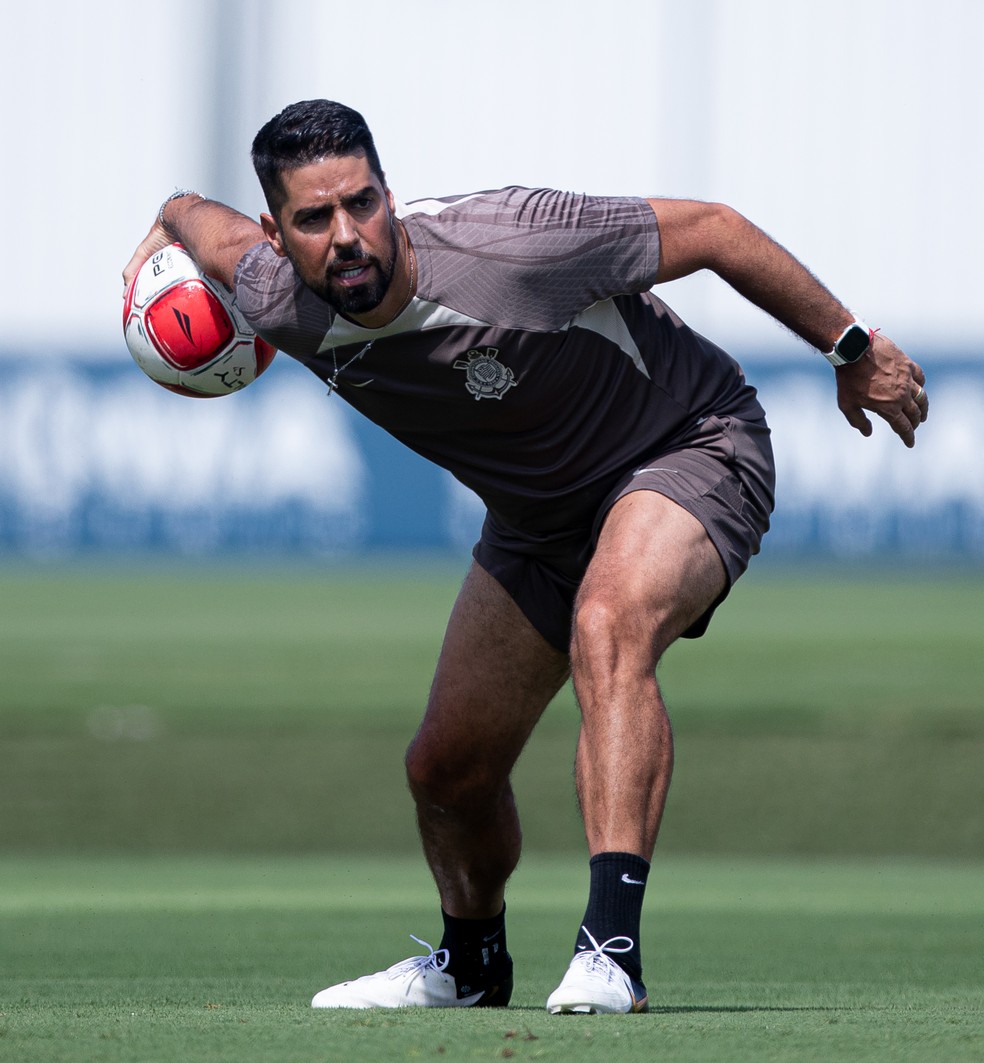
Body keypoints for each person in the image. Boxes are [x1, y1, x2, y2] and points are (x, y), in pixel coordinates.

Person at [123, 99, 928, 1015]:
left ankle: (610, 952)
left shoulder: (515, 245)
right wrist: (161, 223)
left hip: (689, 444)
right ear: (278, 234)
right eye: (314, 218)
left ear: (390, 195)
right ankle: (471, 966)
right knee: (446, 769)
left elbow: (715, 229)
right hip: (540, 521)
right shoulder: (273, 294)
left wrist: (850, 346)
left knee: (608, 623)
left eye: (363, 203)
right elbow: (197, 213)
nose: (347, 236)